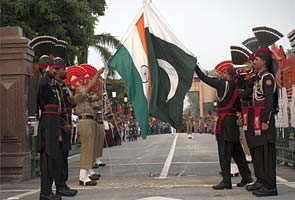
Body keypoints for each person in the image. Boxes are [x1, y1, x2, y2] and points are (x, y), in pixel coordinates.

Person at [195, 62, 252, 190]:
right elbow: (239, 106)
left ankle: (227, 181)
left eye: (225, 73)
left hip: (224, 122)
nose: (223, 74)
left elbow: (205, 78)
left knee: (224, 152)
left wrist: (196, 67)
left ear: (228, 75)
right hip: (232, 122)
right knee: (237, 151)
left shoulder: (221, 84)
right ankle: (246, 176)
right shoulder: (236, 89)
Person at [242, 48, 278, 196]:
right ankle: (261, 181)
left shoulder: (267, 78)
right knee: (258, 152)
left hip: (264, 121)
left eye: (256, 60)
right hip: (256, 119)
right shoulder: (258, 77)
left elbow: (269, 101)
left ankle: (270, 186)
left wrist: (266, 120)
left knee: (266, 154)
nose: (254, 62)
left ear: (263, 61)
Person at [37, 56, 63, 200]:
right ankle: (45, 193)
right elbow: (43, 87)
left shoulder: (51, 83)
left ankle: (48, 191)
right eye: (52, 68)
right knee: (47, 159)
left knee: (52, 158)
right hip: (47, 122)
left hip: (53, 122)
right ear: (47, 68)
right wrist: (47, 74)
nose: (55, 70)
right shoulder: (42, 82)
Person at [73, 68, 104, 186]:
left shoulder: (85, 98)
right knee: (86, 148)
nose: (82, 86)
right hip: (84, 121)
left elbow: (98, 96)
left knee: (90, 148)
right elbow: (89, 87)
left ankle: (87, 173)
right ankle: (83, 177)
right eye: (79, 85)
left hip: (90, 121)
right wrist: (97, 75)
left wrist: (100, 85)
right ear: (76, 89)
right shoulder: (78, 97)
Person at [53, 57, 77, 197]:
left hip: (67, 122)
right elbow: (58, 107)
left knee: (65, 155)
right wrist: (62, 124)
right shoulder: (56, 85)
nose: (65, 71)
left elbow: (72, 102)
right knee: (60, 156)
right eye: (63, 69)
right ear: (56, 70)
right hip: (60, 125)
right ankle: (60, 185)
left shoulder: (64, 86)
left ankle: (63, 183)